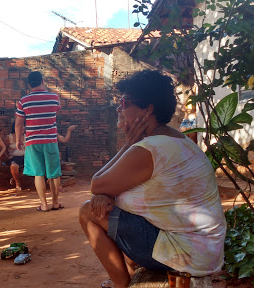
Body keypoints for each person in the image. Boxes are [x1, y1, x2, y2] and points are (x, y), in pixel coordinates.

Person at [78, 70, 226, 288]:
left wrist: (128, 143)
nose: (119, 108)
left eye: (125, 102)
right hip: (203, 251)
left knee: (87, 211)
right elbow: (108, 186)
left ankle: (121, 284)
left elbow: (97, 184)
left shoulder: (149, 148)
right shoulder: (177, 140)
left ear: (148, 109)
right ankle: (131, 277)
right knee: (115, 212)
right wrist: (105, 193)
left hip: (187, 254)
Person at [16, 71, 64, 212]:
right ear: (43, 80)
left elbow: (19, 123)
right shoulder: (54, 98)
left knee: (39, 173)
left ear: (29, 84)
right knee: (54, 173)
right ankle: (55, 202)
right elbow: (55, 113)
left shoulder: (23, 101)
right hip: (50, 140)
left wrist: (19, 139)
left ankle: (43, 205)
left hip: (32, 141)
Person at [7, 121, 25, 191]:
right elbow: (3, 148)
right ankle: (17, 182)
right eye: (22, 126)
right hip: (14, 157)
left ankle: (14, 178)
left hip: (25, 156)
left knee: (33, 166)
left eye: (24, 126)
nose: (23, 128)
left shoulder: (26, 136)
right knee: (14, 166)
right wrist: (7, 156)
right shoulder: (9, 137)